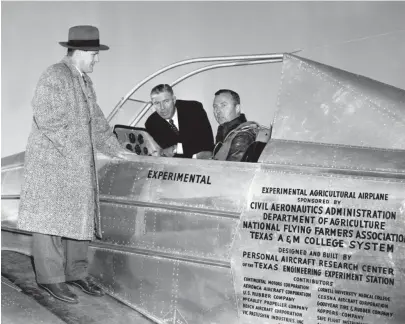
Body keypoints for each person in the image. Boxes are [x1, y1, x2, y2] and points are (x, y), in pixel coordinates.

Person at [17, 25, 130, 304]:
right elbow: (48, 119)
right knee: (51, 223)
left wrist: (118, 151)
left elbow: (97, 124)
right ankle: (51, 280)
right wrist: (80, 151)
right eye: (94, 54)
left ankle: (76, 273)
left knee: (80, 219)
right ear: (80, 52)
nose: (97, 59)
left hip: (75, 166)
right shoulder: (55, 75)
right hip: (53, 167)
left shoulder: (84, 81)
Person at [145, 84, 214, 159]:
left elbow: (207, 143)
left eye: (166, 101)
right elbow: (165, 154)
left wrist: (176, 149)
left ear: (174, 100)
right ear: (153, 104)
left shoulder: (194, 109)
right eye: (157, 103)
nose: (162, 107)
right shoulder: (151, 123)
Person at [212, 89, 261, 162]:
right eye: (215, 106)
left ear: (237, 108)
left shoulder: (243, 134)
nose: (218, 111)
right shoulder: (225, 130)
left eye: (223, 105)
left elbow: (231, 170)